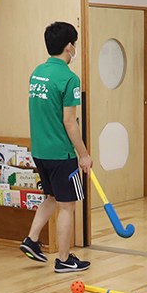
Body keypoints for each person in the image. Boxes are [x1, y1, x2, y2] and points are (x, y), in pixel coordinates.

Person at [19, 21, 92, 273]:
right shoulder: (70, 79)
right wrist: (83, 155)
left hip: (40, 151)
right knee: (67, 206)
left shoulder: (37, 73)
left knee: (51, 197)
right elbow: (69, 121)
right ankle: (63, 259)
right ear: (69, 46)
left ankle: (32, 239)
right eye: (74, 45)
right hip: (62, 153)